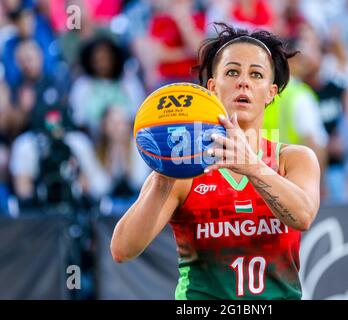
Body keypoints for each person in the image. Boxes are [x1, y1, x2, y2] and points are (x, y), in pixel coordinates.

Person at [110, 23, 321, 300]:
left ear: (270, 93)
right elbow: (122, 250)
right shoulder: (185, 168)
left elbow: (303, 216)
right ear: (211, 87)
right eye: (232, 72)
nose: (243, 81)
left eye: (256, 74)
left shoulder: (294, 159)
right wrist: (164, 176)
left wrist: (252, 166)